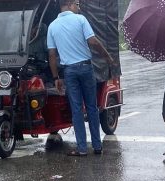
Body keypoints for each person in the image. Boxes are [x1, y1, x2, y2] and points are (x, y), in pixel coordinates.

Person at [47, 0, 116, 156]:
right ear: (70, 4)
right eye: (77, 4)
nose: (78, 7)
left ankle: (82, 148)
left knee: (77, 110)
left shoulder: (52, 26)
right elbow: (93, 41)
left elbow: (52, 55)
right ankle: (97, 147)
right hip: (86, 68)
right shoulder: (80, 20)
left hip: (69, 72)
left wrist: (56, 77)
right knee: (92, 107)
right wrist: (107, 57)